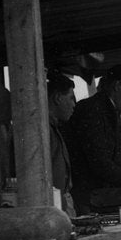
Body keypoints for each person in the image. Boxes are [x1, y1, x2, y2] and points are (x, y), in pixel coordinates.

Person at [68, 64, 121, 213]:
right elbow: (100, 162)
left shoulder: (108, 110)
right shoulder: (93, 110)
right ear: (117, 86)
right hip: (87, 199)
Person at [47, 72, 76, 214]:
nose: (74, 105)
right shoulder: (44, 130)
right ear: (58, 98)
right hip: (54, 207)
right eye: (71, 98)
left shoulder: (52, 127)